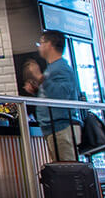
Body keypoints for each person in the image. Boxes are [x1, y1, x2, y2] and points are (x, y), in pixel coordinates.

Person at [36, 30, 85, 161]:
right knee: (62, 171)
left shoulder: (60, 68)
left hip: (61, 127)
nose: (39, 47)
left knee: (68, 170)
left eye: (41, 43)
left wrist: (42, 80)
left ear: (50, 44)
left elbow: (61, 95)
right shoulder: (53, 67)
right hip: (55, 128)